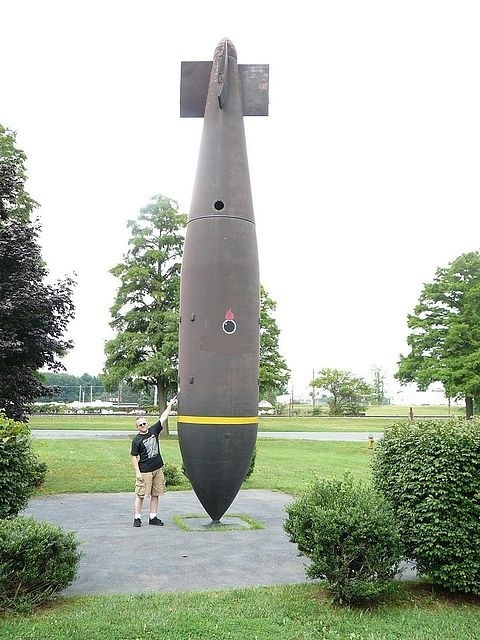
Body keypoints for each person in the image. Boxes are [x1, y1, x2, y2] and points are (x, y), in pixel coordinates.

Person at [130, 397, 176, 527]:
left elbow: (163, 417)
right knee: (141, 495)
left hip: (157, 469)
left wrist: (170, 405)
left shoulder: (153, 431)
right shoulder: (136, 440)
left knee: (156, 494)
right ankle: (137, 518)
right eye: (140, 425)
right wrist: (137, 473)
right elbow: (134, 457)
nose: (143, 426)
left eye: (145, 423)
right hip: (145, 471)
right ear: (137, 427)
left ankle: (153, 517)